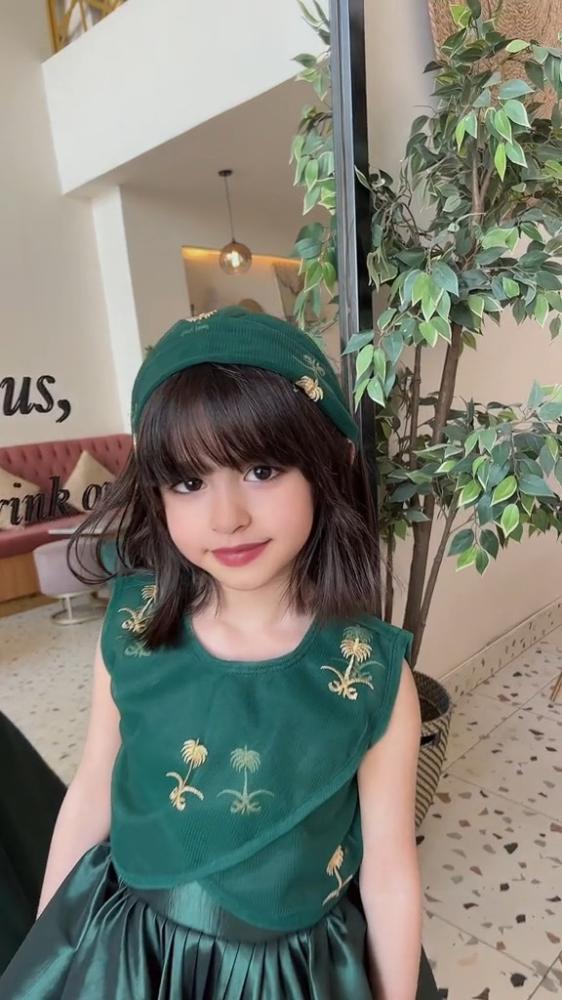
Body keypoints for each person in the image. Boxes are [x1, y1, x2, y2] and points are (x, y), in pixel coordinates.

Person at [0, 307, 440, 999]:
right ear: (158, 495)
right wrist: (48, 941)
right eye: (189, 482)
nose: (227, 517)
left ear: (325, 469)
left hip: (288, 976)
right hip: (132, 960)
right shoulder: (134, 628)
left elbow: (387, 868)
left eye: (262, 469)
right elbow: (93, 786)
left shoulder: (371, 673)